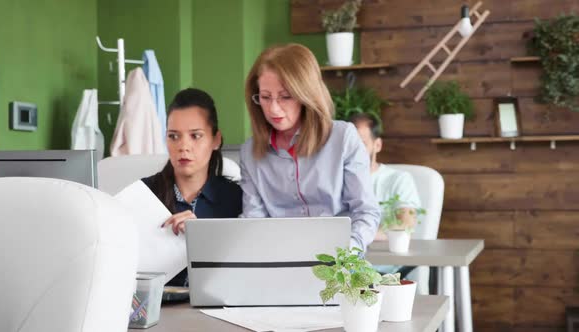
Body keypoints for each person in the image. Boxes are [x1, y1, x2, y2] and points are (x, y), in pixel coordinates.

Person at [239, 43, 380, 252]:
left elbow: (365, 212)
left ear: (307, 95)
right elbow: (254, 222)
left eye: (285, 96)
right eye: (265, 97)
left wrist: (347, 254)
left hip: (339, 263)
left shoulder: (343, 138)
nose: (273, 108)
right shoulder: (250, 152)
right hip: (279, 261)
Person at [142, 88, 243, 286]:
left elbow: (244, 273)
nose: (183, 146)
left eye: (195, 136)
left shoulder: (237, 200)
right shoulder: (143, 195)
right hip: (158, 310)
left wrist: (202, 240)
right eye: (173, 136)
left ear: (216, 140)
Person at [349, 112, 422, 275]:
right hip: (345, 267)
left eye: (361, 144)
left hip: (385, 272)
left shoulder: (399, 179)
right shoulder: (336, 181)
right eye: (350, 145)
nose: (354, 151)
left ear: (377, 145)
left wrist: (357, 235)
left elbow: (405, 224)